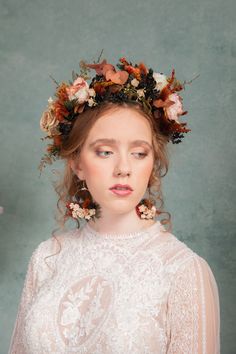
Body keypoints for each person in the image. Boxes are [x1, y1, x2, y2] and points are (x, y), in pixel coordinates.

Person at [8, 56, 220, 353]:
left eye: (139, 153)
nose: (123, 168)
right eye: (105, 152)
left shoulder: (183, 270)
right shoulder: (48, 258)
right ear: (77, 163)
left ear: (153, 163)